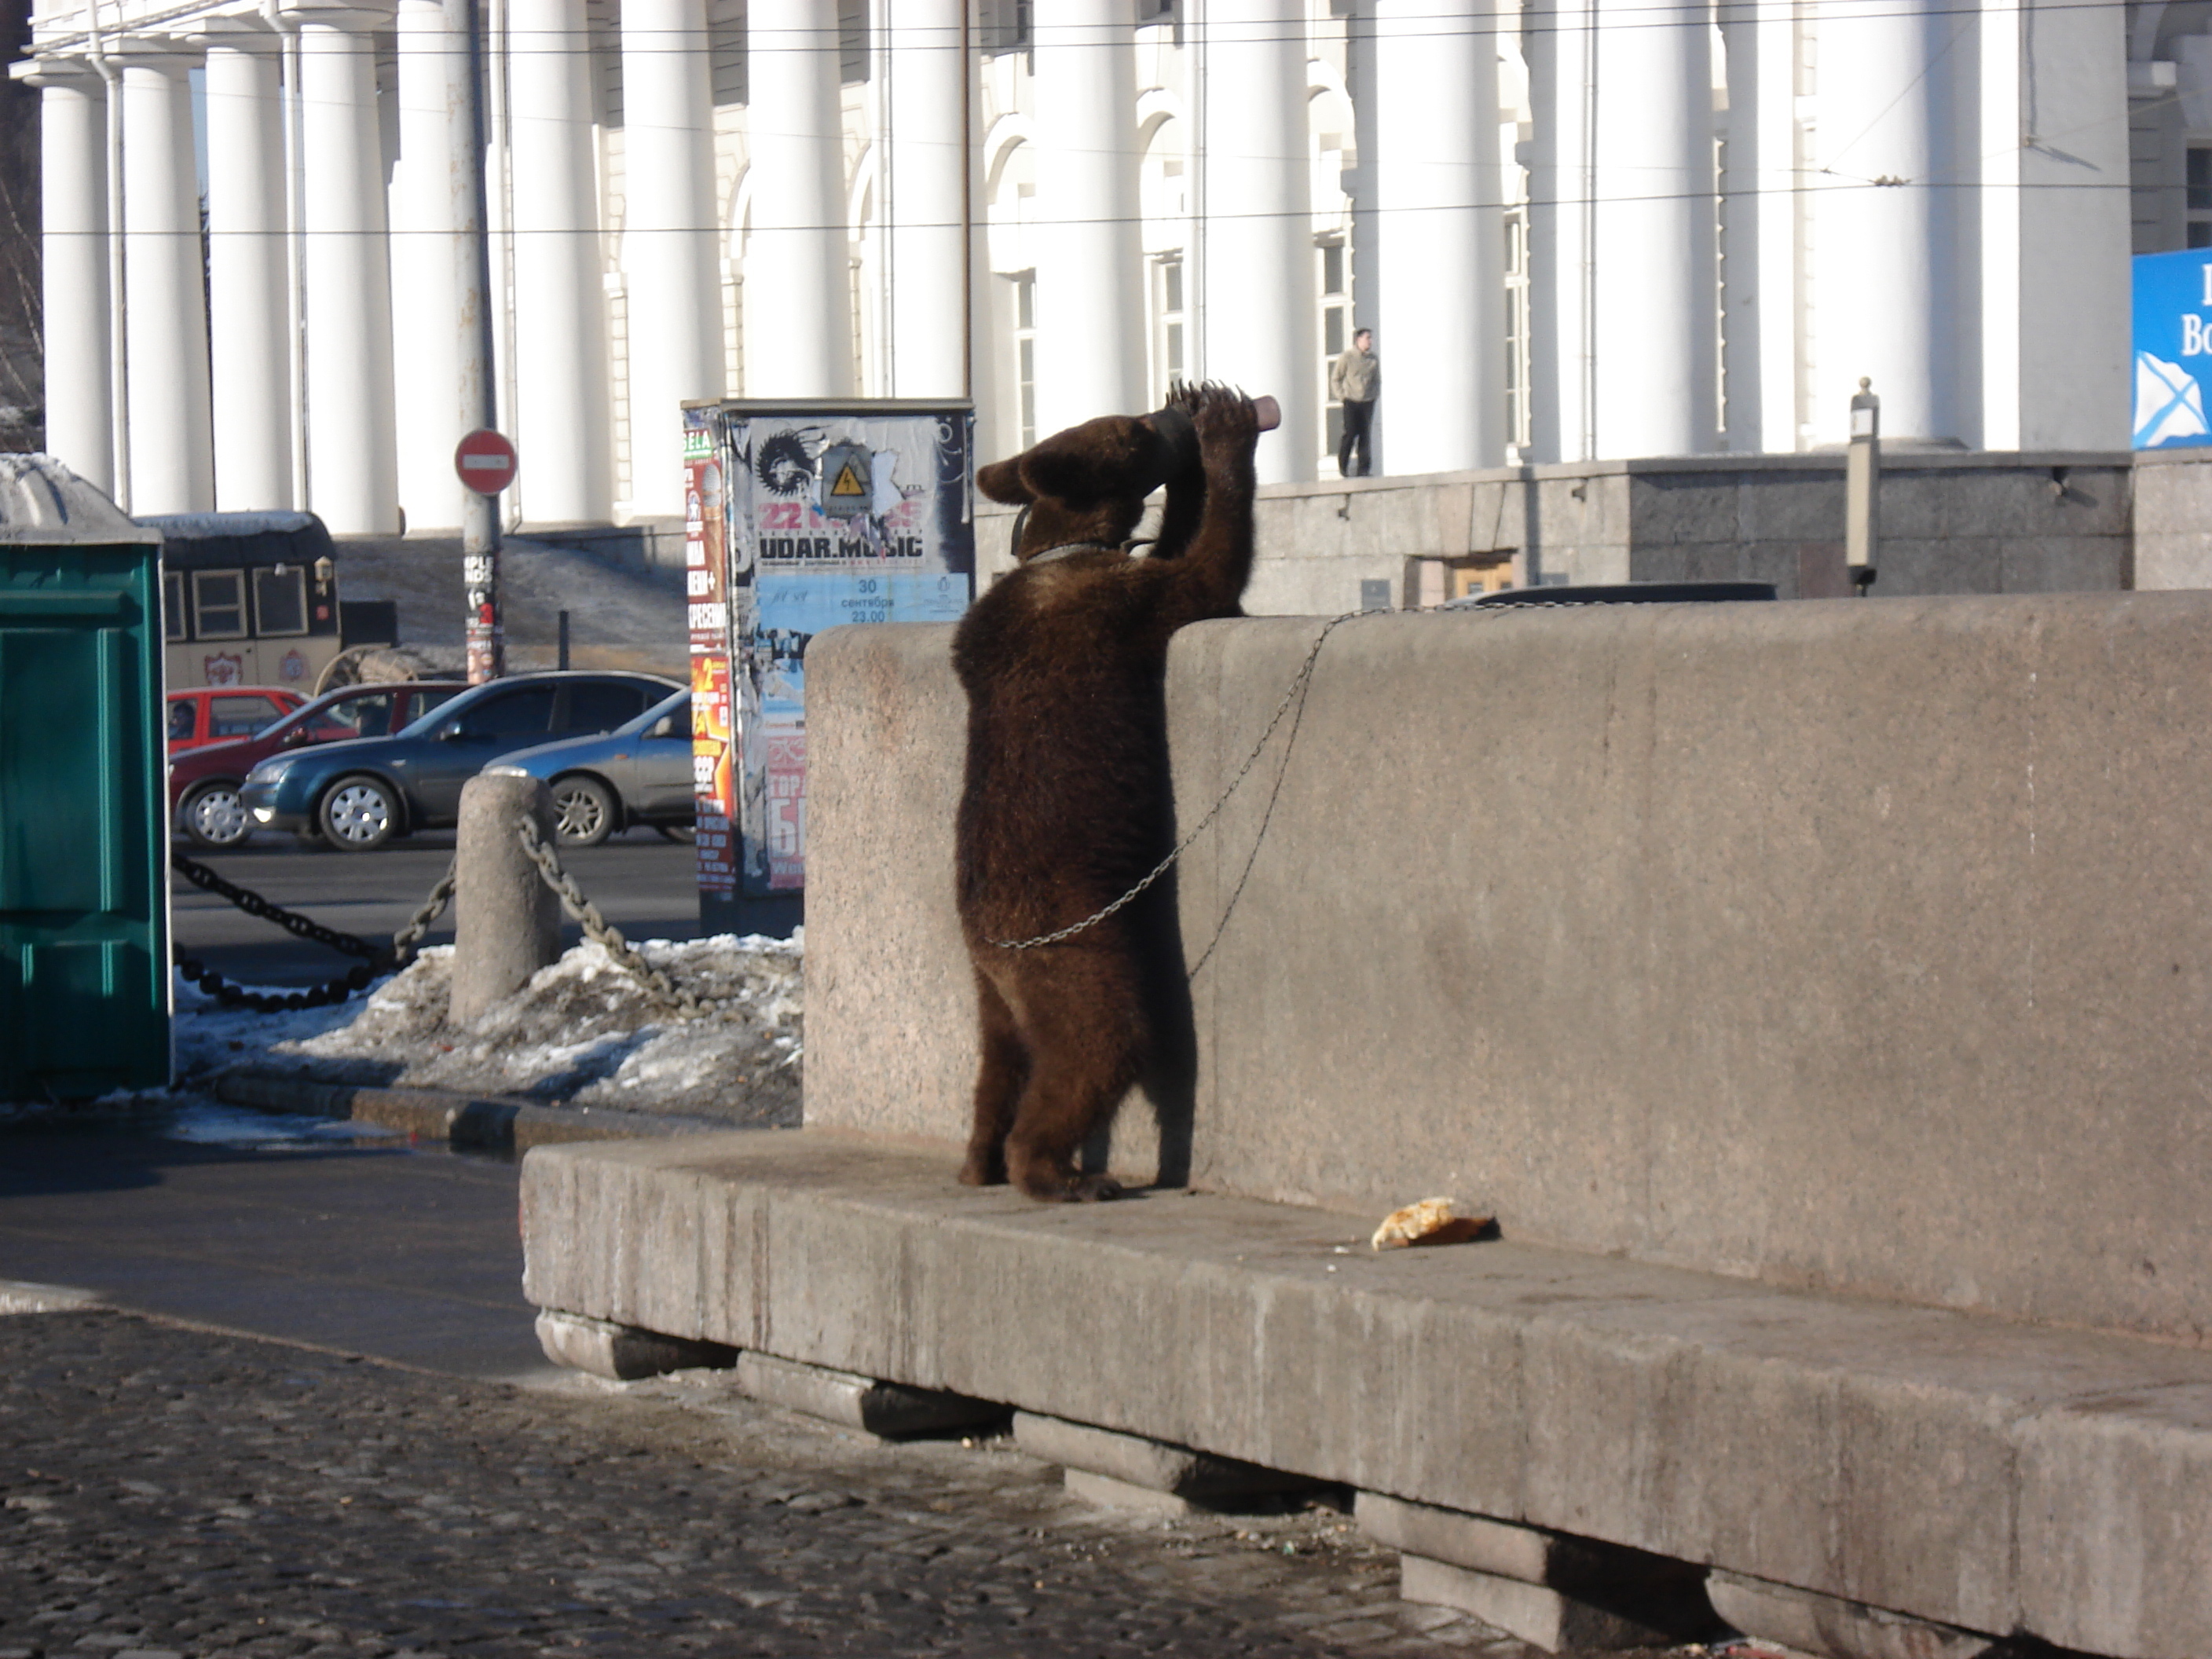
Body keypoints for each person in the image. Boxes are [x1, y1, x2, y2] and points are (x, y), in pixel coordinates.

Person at [1330, 328, 1379, 478]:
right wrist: (1342, 396)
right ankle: (1343, 466)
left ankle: (1363, 469)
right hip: (1351, 401)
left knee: (1365, 435)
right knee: (1350, 433)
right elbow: (1336, 378)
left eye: (1371, 338)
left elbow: (1377, 380)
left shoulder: (1373, 359)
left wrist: (1374, 395)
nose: (1370, 341)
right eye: (1367, 338)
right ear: (1358, 340)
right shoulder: (1347, 357)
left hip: (1367, 402)